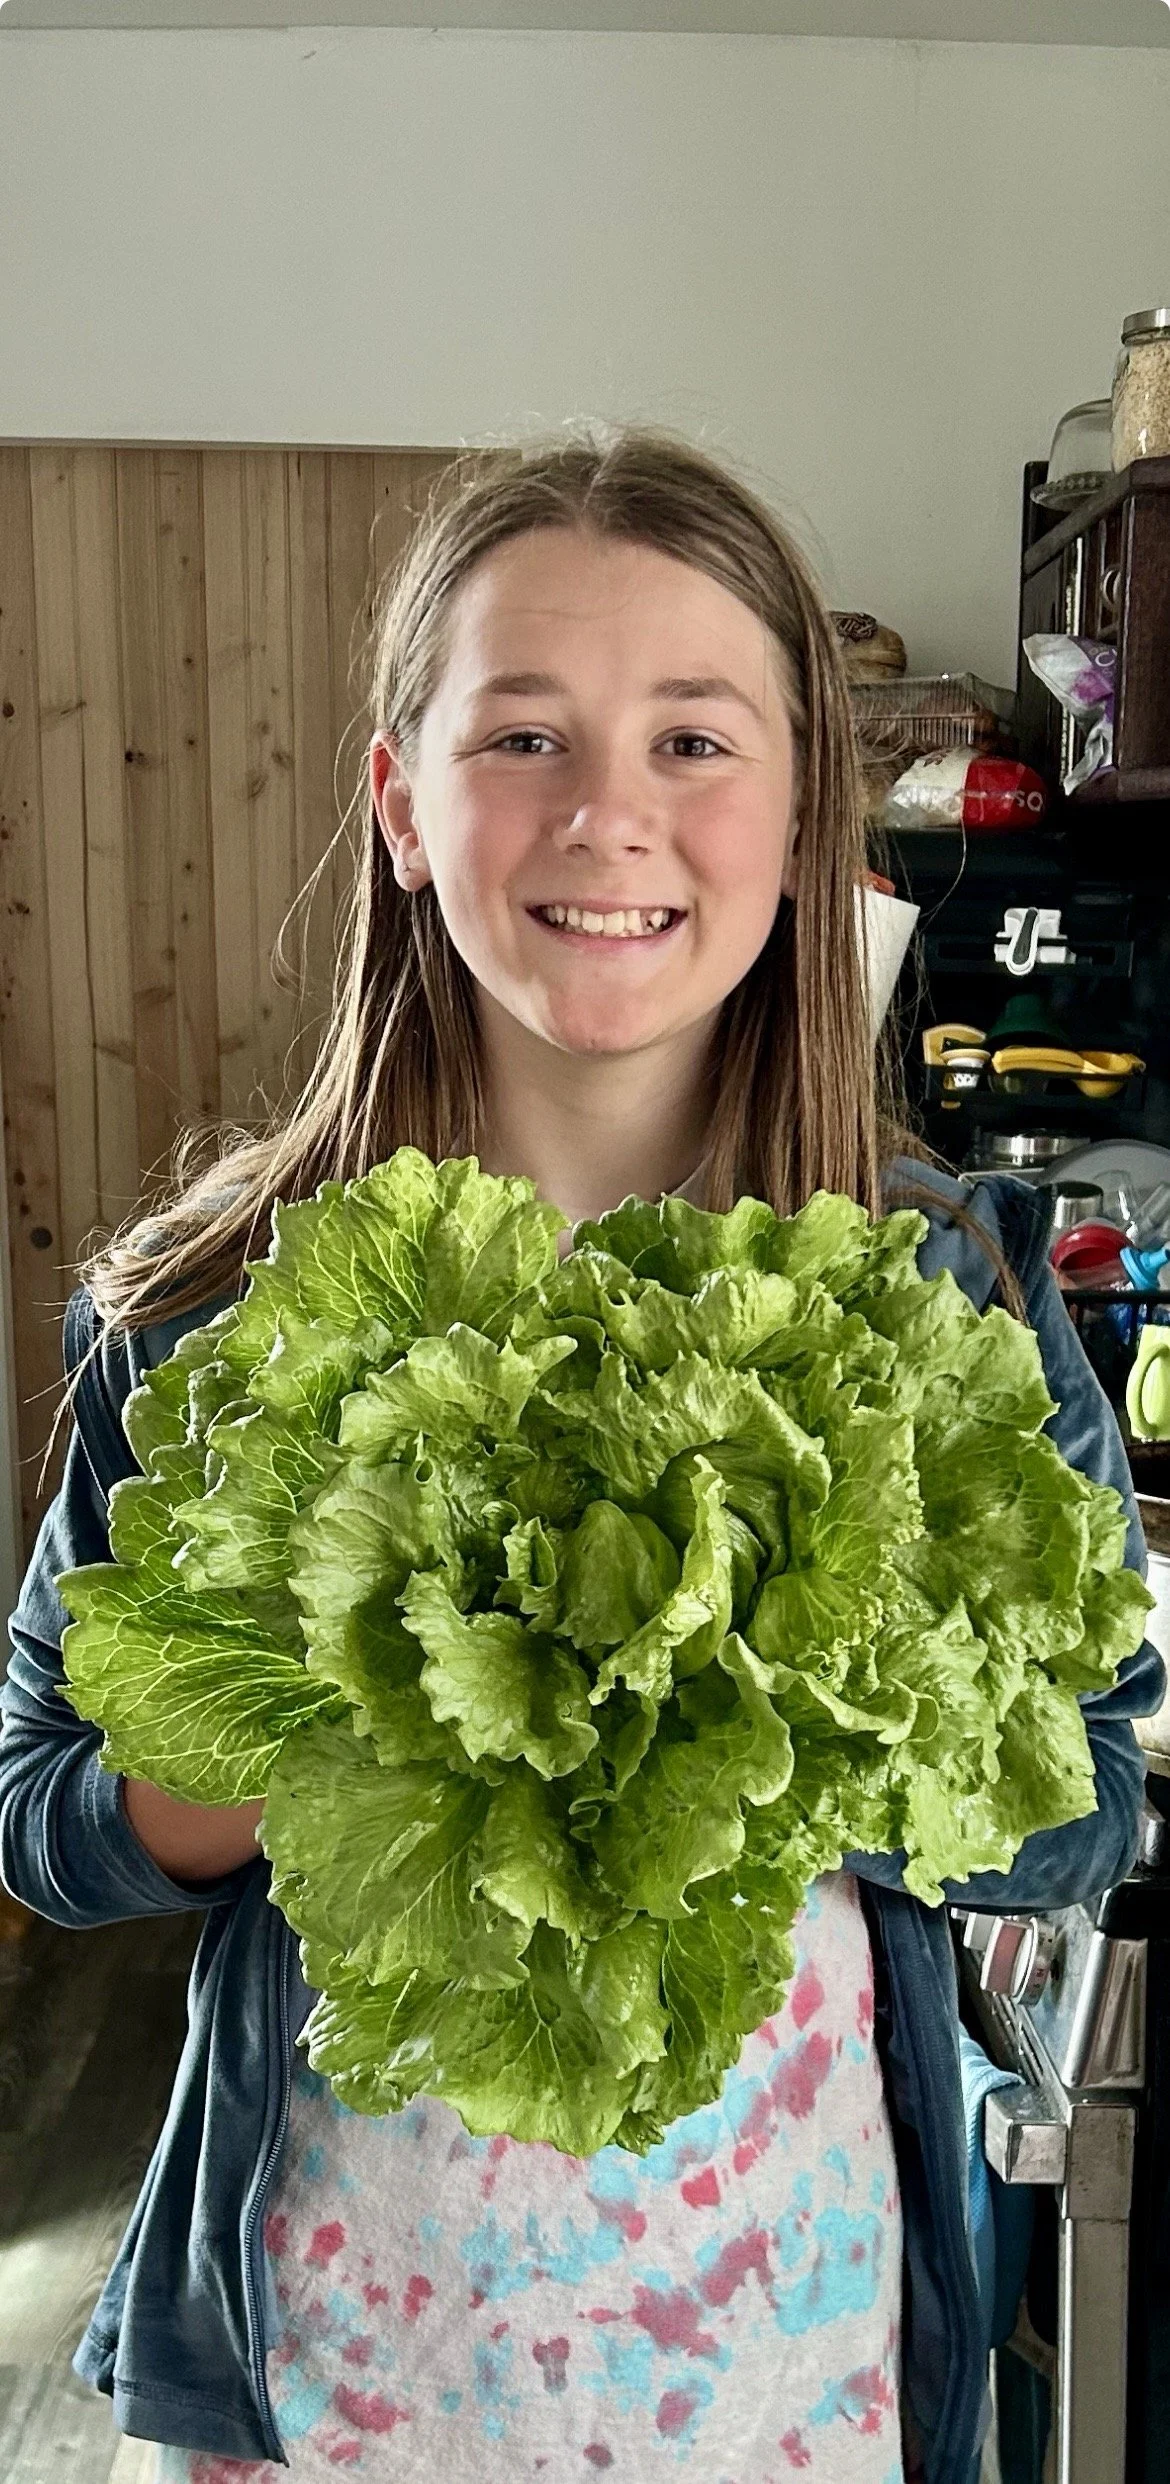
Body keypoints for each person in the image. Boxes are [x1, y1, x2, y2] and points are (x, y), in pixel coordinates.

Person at [0, 421, 1162, 2484]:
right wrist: (291, 1758)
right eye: (521, 735)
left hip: (784, 2371)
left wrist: (779, 1725)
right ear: (400, 806)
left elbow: (1084, 1808)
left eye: (696, 742)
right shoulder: (215, 1321)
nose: (609, 814)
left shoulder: (947, 1309)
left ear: (803, 813)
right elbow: (39, 1809)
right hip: (316, 2388)